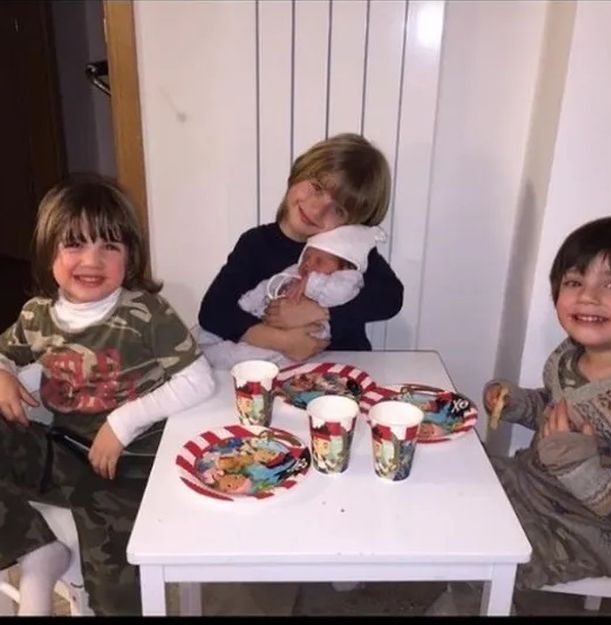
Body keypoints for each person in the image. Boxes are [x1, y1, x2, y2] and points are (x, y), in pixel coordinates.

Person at [0, 175, 216, 615]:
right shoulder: (36, 316)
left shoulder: (145, 313)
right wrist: (2, 373)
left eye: (109, 246)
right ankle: (36, 551)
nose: (92, 260)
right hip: (62, 453)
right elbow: (5, 352)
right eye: (74, 244)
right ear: (48, 251)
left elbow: (199, 380)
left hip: (130, 466)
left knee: (116, 590)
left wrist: (121, 424)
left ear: (130, 256)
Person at [483, 216, 611, 589]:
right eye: (574, 282)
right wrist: (518, 404)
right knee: (453, 481)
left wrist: (580, 468)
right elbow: (556, 412)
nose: (587, 296)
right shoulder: (569, 355)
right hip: (529, 483)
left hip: (580, 534)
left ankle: (467, 599)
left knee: (480, 552)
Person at [198, 133, 404, 364]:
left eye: (338, 210)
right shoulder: (255, 243)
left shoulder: (347, 250)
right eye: (317, 187)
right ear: (299, 172)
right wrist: (282, 340)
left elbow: (391, 297)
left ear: (353, 223)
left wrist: (321, 312)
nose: (316, 210)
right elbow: (213, 311)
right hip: (276, 371)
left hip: (341, 368)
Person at [197, 224, 386, 371]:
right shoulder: (265, 249)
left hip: (305, 344)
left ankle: (210, 358)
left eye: (319, 261)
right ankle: (204, 352)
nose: (308, 264)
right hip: (264, 327)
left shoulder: (345, 275)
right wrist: (246, 305)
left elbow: (386, 297)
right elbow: (267, 286)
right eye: (306, 257)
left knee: (244, 355)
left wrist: (315, 298)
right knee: (208, 333)